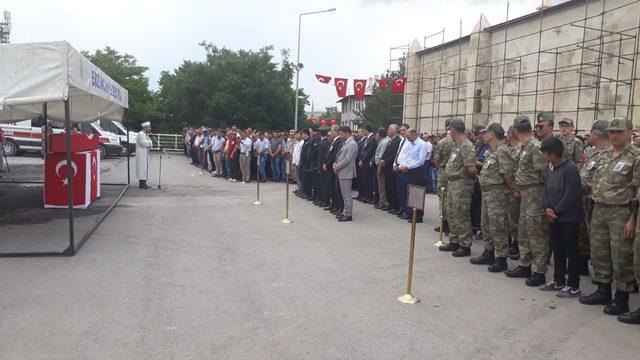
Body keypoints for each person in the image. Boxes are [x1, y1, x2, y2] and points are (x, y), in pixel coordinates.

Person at [580, 117, 640, 317]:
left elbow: (637, 190)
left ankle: (621, 298)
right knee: (599, 252)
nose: (613, 135)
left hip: (621, 211)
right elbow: (588, 179)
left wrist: (632, 218)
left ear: (630, 132)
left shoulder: (635, 156)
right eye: (611, 131)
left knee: (621, 256)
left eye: (619, 131)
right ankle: (602, 290)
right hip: (599, 208)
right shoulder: (603, 154)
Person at [506, 115, 550, 287]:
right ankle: (525, 265)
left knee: (536, 234)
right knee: (524, 231)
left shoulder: (534, 147)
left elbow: (544, 174)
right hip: (525, 195)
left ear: (516, 131)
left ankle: (539, 271)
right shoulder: (525, 147)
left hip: (535, 195)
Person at [540, 137, 584, 298]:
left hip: (568, 217)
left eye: (544, 154)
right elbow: (545, 189)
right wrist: (547, 207)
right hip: (554, 216)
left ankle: (573, 285)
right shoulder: (549, 167)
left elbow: (571, 194)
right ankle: (558, 280)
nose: (543, 157)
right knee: (557, 249)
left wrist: (556, 210)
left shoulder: (570, 168)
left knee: (571, 251)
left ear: (552, 154)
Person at [470, 123, 514, 272]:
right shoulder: (491, 150)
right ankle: (488, 252)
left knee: (498, 226)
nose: (482, 135)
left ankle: (501, 258)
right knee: (486, 224)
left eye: (485, 133)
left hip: (498, 194)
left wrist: (512, 189)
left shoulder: (502, 151)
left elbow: (507, 174)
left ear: (492, 134)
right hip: (487, 193)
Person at [438, 118, 477, 257]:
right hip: (453, 183)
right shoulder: (457, 145)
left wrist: (469, 179)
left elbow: (471, 168)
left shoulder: (466, 145)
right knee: (452, 213)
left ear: (454, 130)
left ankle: (465, 244)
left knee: (461, 214)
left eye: (450, 130)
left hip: (461, 184)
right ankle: (454, 241)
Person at [398, 129, 428, 222]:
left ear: (414, 135)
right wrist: (402, 165)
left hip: (416, 171)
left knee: (416, 193)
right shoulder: (411, 144)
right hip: (408, 170)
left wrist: (408, 167)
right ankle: (410, 213)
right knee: (409, 193)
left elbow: (420, 160)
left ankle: (418, 216)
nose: (408, 140)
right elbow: (407, 157)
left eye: (409, 137)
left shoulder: (422, 144)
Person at [433, 118, 455, 234]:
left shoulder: (442, 142)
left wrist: (440, 167)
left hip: (443, 173)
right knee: (452, 199)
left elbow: (436, 160)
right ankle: (451, 225)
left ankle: (444, 223)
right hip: (455, 174)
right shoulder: (459, 141)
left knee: (442, 199)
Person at [333, 126, 358, 222]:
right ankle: (345, 212)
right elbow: (340, 156)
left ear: (347, 133)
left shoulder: (352, 144)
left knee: (347, 195)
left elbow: (347, 159)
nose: (340, 136)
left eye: (341, 134)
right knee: (344, 195)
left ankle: (348, 214)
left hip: (346, 172)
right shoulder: (346, 143)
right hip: (342, 171)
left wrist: (337, 166)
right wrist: (335, 165)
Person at [506, 125, 522, 260]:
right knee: (512, 218)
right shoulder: (511, 150)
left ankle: (517, 244)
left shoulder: (519, 149)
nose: (506, 135)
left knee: (516, 218)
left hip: (516, 189)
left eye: (508, 133)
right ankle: (513, 242)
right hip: (510, 190)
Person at [380, 124, 402, 215]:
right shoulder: (391, 140)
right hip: (386, 167)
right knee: (388, 187)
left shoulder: (398, 140)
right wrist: (382, 159)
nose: (387, 131)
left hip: (391, 167)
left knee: (392, 187)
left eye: (389, 129)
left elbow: (394, 155)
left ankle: (395, 206)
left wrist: (385, 160)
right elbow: (386, 152)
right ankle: (390, 204)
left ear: (395, 131)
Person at [374, 128, 390, 210]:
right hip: (380, 165)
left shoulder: (384, 143)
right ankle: (381, 201)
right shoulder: (382, 142)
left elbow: (381, 156)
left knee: (382, 185)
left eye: (376, 135)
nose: (375, 136)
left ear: (380, 135)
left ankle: (384, 202)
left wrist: (379, 168)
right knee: (380, 185)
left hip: (381, 166)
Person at [316, 126, 332, 207]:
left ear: (320, 133)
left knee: (324, 185)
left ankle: (326, 201)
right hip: (322, 166)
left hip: (323, 167)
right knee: (322, 184)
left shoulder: (324, 143)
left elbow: (325, 156)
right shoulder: (325, 142)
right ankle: (323, 200)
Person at [136, 121, 153, 189]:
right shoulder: (140, 134)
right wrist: (149, 144)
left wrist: (149, 143)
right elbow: (143, 143)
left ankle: (144, 182)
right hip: (141, 154)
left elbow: (150, 143)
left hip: (145, 153)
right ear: (145, 127)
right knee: (142, 168)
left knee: (145, 168)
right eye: (149, 127)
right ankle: (142, 183)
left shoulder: (146, 134)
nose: (150, 128)